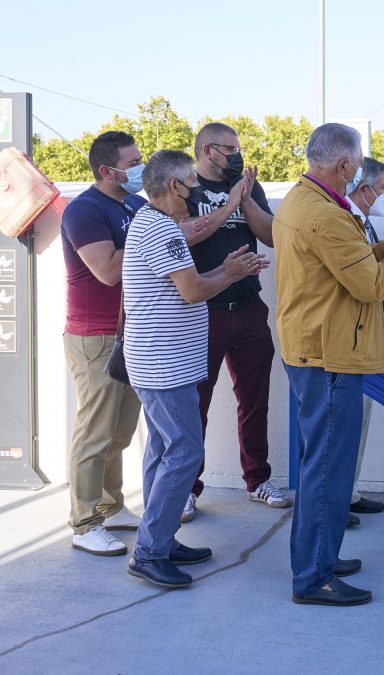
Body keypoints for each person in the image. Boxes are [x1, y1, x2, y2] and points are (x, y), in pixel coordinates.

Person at [275, 123, 384, 606]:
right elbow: (370, 286)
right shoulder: (326, 215)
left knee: (318, 466)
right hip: (328, 356)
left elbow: (353, 262)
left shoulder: (303, 200)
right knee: (328, 469)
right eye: (358, 162)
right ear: (344, 165)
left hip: (315, 349)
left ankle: (317, 556)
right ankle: (313, 577)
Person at [122, 150, 267, 589]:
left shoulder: (156, 224)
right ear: (173, 187)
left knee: (163, 451)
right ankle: (149, 552)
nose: (197, 189)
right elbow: (192, 290)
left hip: (161, 361)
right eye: (190, 183)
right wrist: (229, 271)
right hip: (164, 365)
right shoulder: (160, 229)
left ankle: (161, 538)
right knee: (185, 451)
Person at [180, 122, 287, 523]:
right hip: (202, 312)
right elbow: (186, 236)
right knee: (195, 405)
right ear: (208, 150)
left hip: (248, 308)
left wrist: (244, 200)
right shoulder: (185, 188)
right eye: (230, 149)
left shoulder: (248, 188)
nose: (237, 155)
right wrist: (229, 202)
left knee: (255, 401)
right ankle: (187, 488)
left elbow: (272, 236)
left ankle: (257, 480)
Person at [59, 131, 146, 555]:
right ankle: (84, 522)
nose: (139, 169)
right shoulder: (84, 212)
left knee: (120, 432)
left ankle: (111, 507)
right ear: (105, 170)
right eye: (132, 164)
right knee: (94, 432)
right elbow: (109, 271)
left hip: (130, 332)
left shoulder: (133, 204)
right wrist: (146, 235)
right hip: (94, 335)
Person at [343, 157, 384, 518]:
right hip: (345, 343)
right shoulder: (344, 224)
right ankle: (334, 503)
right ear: (365, 190)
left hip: (363, 341)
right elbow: (370, 282)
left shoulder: (363, 224)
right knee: (342, 430)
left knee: (359, 423)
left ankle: (349, 492)